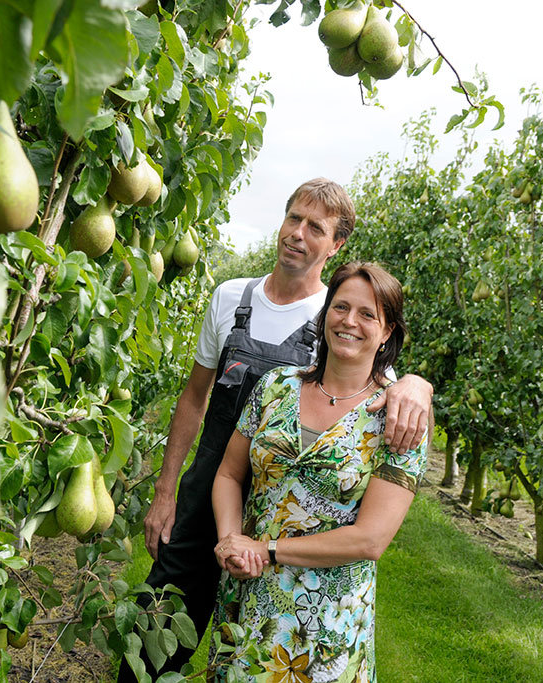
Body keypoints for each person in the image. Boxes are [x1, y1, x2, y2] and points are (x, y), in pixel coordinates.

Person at [116, 178, 432, 681]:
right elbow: (194, 399)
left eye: (316, 228)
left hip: (277, 523)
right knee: (153, 636)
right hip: (209, 498)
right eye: (294, 219)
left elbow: (387, 392)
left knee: (243, 645)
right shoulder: (230, 298)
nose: (298, 235)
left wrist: (420, 384)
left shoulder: (337, 318)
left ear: (337, 244)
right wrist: (165, 489)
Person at [211, 261, 426, 682]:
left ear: (387, 333)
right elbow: (228, 475)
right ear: (325, 314)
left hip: (326, 624)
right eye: (341, 307)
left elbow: (370, 539)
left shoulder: (399, 419)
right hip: (247, 597)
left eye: (368, 314)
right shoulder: (275, 387)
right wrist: (231, 542)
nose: (350, 321)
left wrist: (266, 549)